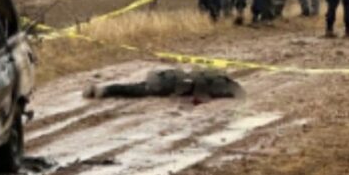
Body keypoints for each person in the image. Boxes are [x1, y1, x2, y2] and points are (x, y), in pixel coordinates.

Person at [83, 69, 245, 101]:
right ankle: (104, 91)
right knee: (136, 90)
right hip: (168, 83)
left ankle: (104, 90)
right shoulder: (216, 85)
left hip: (168, 79)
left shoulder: (215, 79)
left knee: (135, 88)